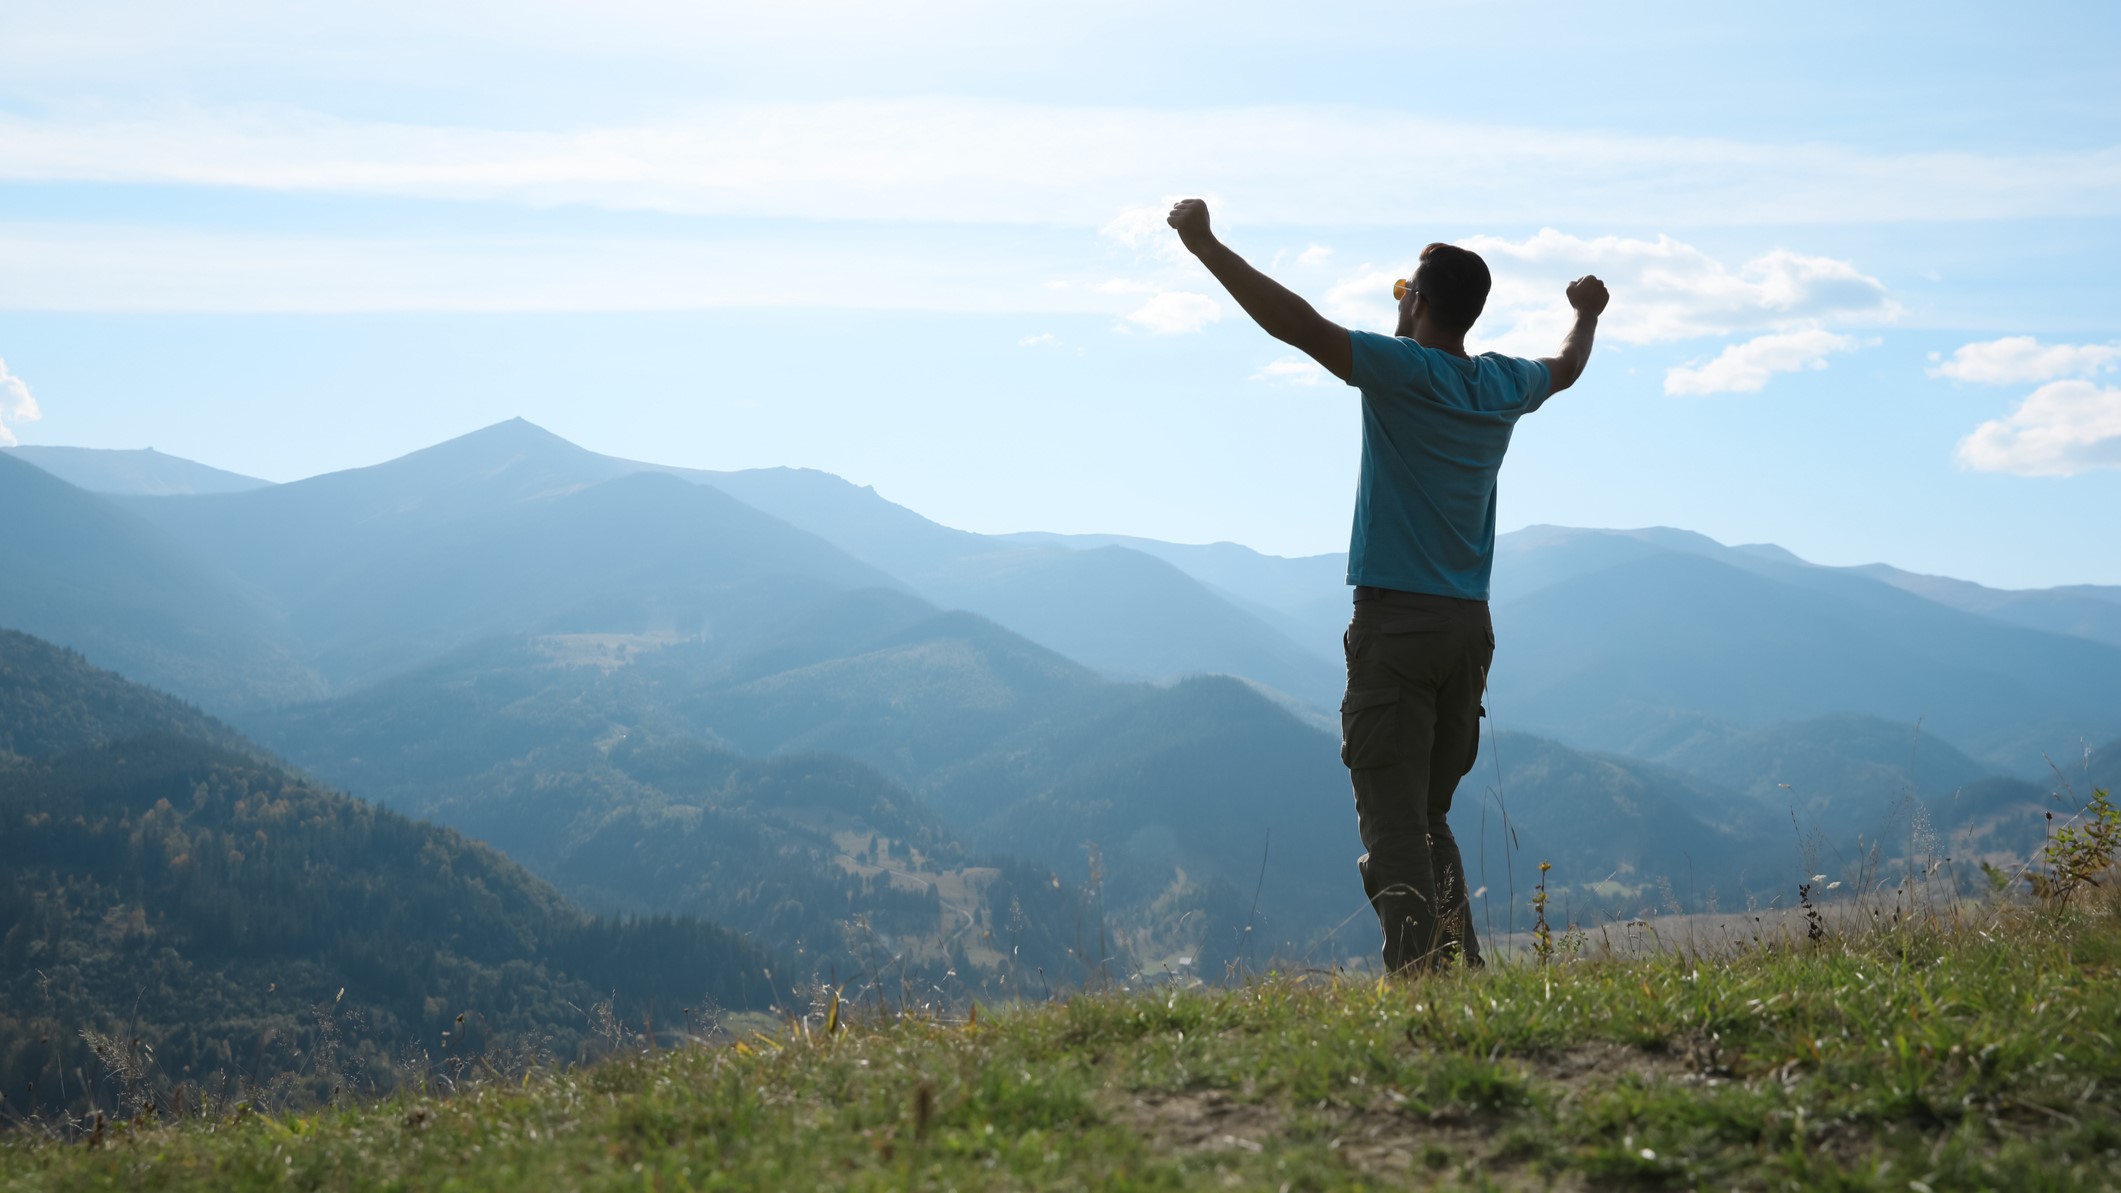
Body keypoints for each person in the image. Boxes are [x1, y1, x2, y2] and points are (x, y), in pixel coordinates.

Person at [1167, 198, 1607, 974]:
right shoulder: (1500, 383)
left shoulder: (1401, 370)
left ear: (1421, 302)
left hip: (1397, 630)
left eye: (1404, 290)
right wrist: (1586, 312)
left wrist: (1204, 244)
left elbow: (1294, 324)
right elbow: (1566, 367)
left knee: (1395, 825)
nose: (1396, 300)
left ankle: (1425, 984)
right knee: (1428, 814)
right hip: (1466, 631)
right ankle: (1456, 974)